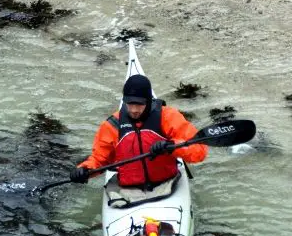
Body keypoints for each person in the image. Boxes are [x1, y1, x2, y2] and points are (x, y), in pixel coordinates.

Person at [70, 74, 207, 188]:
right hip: (127, 191)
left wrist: (171, 146)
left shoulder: (168, 117)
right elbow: (99, 160)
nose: (134, 110)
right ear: (124, 101)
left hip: (167, 185)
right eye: (130, 103)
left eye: (139, 104)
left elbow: (199, 151)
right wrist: (84, 170)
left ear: (148, 101)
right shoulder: (112, 125)